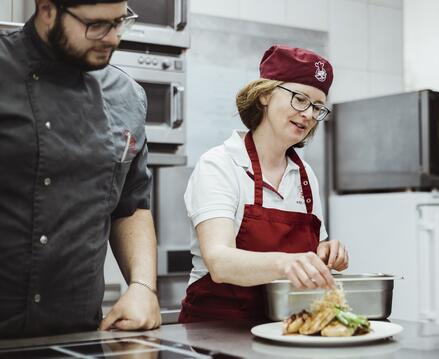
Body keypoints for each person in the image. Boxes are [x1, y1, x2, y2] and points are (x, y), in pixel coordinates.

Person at [0, 0, 160, 338]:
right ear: (47, 10)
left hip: (79, 335)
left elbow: (131, 208)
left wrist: (143, 286)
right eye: (97, 25)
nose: (113, 38)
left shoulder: (127, 96)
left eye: (120, 22)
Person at [179, 45, 349, 322]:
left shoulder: (305, 175)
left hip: (286, 325)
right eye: (300, 99)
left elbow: (309, 259)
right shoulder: (220, 164)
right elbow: (220, 262)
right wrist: (286, 262)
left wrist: (326, 253)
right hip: (217, 329)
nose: (308, 113)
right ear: (265, 95)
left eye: (318, 107)